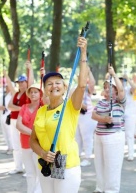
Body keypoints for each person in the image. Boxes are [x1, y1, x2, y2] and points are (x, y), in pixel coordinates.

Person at [29, 36, 89, 193]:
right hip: (45, 164)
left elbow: (82, 85)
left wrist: (83, 54)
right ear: (45, 89)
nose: (53, 85)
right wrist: (43, 153)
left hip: (66, 165)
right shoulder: (41, 111)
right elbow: (33, 140)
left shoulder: (70, 106)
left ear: (64, 87)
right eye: (49, 83)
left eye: (58, 82)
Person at [92, 66, 126, 193]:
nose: (106, 90)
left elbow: (122, 90)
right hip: (99, 135)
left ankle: (111, 190)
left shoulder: (120, 102)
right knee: (99, 164)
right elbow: (93, 115)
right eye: (105, 88)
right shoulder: (101, 102)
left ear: (116, 90)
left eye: (109, 88)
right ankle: (100, 188)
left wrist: (114, 74)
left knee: (112, 165)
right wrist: (104, 119)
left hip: (114, 136)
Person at [5, 61, 34, 174]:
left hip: (23, 121)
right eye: (19, 82)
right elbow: (9, 106)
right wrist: (22, 108)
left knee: (25, 145)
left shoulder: (28, 93)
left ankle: (28, 169)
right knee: (16, 144)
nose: (21, 84)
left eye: (23, 82)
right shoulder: (16, 94)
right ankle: (18, 167)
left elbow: (14, 107)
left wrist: (30, 69)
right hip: (13, 120)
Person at [16, 83, 43, 193]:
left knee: (39, 172)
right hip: (25, 143)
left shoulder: (43, 108)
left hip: (38, 144)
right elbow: (18, 125)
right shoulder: (24, 107)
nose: (33, 94)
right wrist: (33, 133)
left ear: (40, 94)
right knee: (30, 173)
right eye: (31, 92)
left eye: (35, 92)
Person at [75, 68, 97, 167]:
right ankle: (77, 156)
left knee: (86, 137)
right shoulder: (75, 87)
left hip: (87, 115)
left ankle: (87, 157)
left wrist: (88, 71)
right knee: (77, 137)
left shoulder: (86, 87)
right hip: (76, 115)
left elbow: (92, 84)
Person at [120, 74, 136, 161]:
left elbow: (134, 88)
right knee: (121, 134)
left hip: (130, 115)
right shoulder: (118, 91)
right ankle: (120, 153)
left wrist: (128, 79)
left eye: (123, 80)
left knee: (129, 135)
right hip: (120, 115)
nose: (122, 81)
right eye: (121, 80)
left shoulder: (128, 90)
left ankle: (131, 154)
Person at [0, 79, 13, 155]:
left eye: (8, 86)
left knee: (9, 133)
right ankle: (8, 147)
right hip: (2, 116)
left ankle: (12, 148)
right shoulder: (2, 96)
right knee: (5, 133)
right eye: (6, 86)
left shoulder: (12, 96)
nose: (6, 88)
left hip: (8, 117)